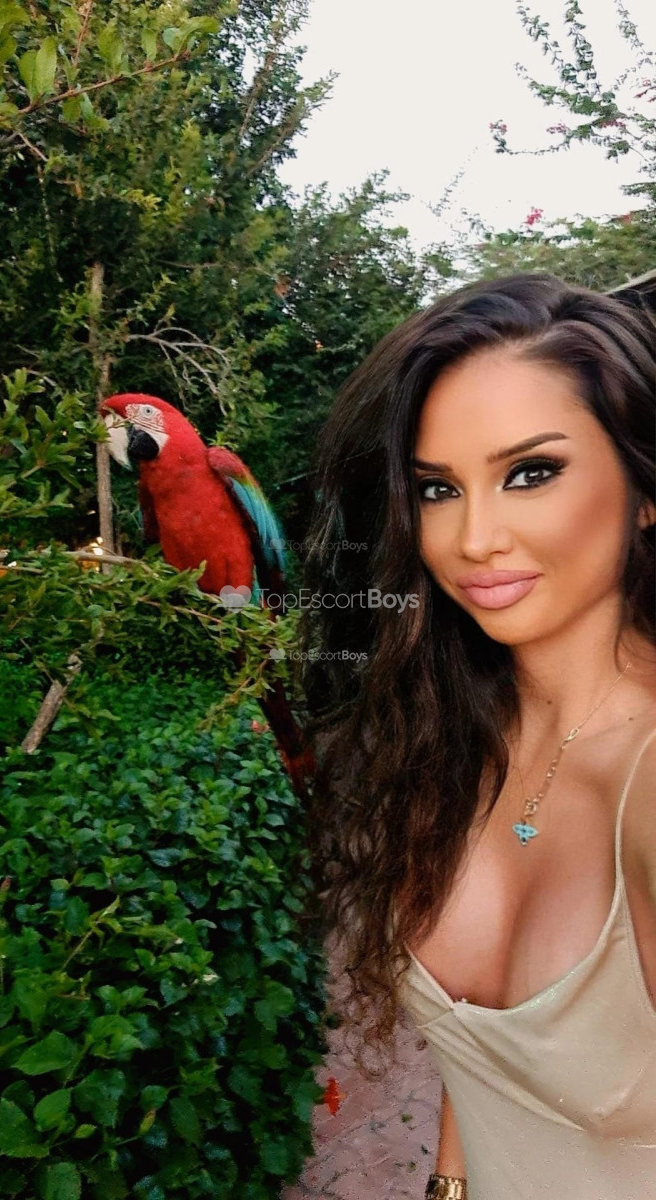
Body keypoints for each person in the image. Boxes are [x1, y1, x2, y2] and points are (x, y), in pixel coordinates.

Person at [299, 273, 656, 1200]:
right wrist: (447, 1187)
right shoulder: (451, 735)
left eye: (528, 473)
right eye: (436, 488)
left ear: (643, 488)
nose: (472, 538)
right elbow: (478, 1054)